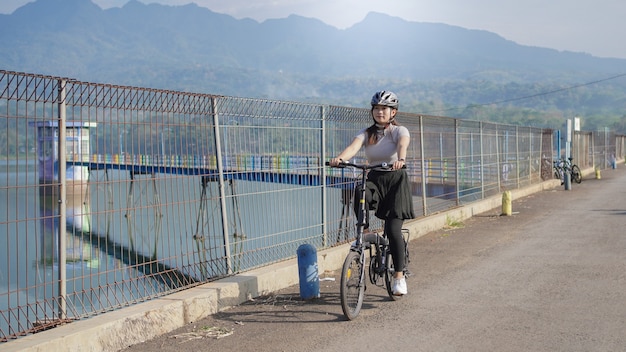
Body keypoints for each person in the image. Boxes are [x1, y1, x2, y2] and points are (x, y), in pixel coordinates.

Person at [329, 90, 415, 295]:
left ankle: (399, 277)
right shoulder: (366, 133)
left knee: (394, 231)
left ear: (393, 112)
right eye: (376, 108)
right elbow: (353, 147)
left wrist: (401, 160)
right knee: (360, 190)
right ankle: (365, 233)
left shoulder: (399, 130)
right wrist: (339, 159)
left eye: (384, 108)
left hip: (395, 179)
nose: (379, 112)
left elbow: (403, 144)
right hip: (374, 177)